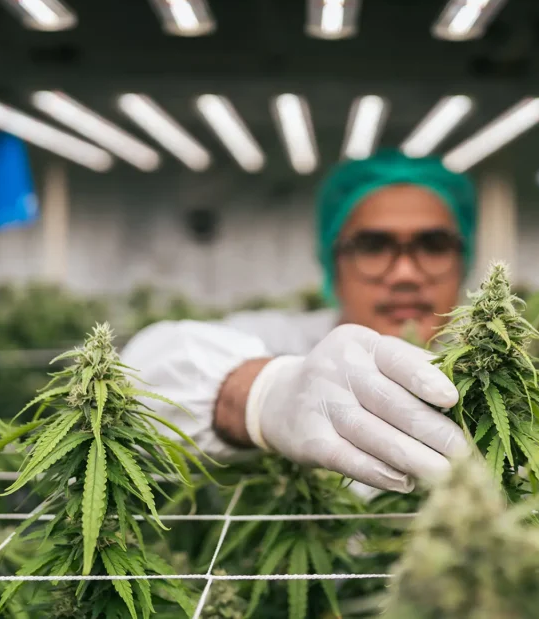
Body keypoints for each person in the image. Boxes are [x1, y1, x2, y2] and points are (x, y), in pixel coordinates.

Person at [120, 150, 477, 494]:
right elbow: (141, 372)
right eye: (372, 245)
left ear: (464, 261)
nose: (405, 274)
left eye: (434, 245)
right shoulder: (279, 340)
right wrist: (261, 394)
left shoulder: (496, 363)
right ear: (332, 261)